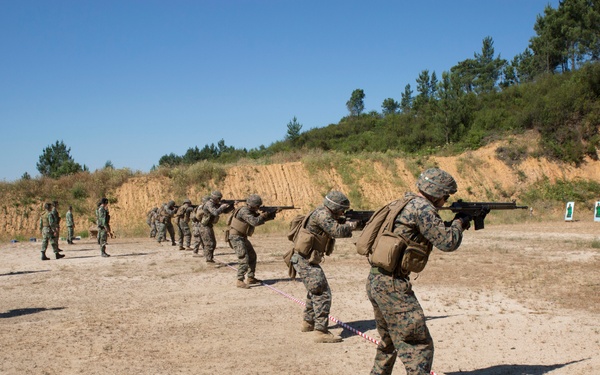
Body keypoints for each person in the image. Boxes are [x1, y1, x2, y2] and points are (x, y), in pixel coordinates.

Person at [366, 168, 470, 375]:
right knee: (418, 345)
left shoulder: (402, 203)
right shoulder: (422, 208)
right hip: (393, 286)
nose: (446, 199)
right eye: (445, 195)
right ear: (438, 193)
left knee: (389, 342)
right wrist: (460, 223)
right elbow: (448, 242)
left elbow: (427, 232)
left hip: (377, 280)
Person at [290, 191, 357, 343]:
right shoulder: (322, 215)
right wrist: (351, 226)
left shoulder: (322, 212)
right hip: (305, 260)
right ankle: (321, 331)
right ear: (334, 207)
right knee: (322, 293)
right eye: (341, 209)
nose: (343, 212)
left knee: (314, 290)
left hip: (305, 259)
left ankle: (308, 323)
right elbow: (336, 231)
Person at [228, 194, 276, 289]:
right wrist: (264, 214)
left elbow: (260, 219)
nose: (258, 208)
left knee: (252, 255)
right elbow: (255, 221)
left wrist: (271, 214)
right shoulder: (244, 211)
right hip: (236, 237)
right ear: (253, 205)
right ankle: (239, 280)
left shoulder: (249, 211)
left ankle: (250, 277)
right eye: (258, 206)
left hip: (242, 237)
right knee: (243, 258)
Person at [199, 190, 232, 263]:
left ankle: (210, 259)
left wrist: (231, 205)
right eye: (219, 199)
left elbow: (225, 211)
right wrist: (222, 207)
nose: (219, 200)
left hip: (208, 226)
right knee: (209, 243)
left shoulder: (214, 204)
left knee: (213, 243)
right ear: (215, 198)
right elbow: (215, 212)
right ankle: (209, 260)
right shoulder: (209, 204)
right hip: (205, 226)